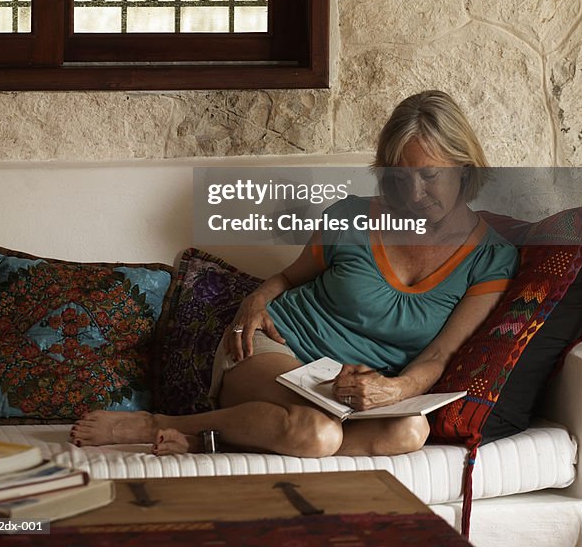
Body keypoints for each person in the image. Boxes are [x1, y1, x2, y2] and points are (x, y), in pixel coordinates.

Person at [70, 90, 518, 457]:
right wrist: (255, 300)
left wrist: (394, 390)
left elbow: (439, 356)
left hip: (347, 388)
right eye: (401, 178)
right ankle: (158, 423)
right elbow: (286, 279)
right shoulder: (350, 217)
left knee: (408, 432)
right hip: (277, 347)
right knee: (317, 432)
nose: (415, 194)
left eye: (430, 175)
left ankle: (214, 440)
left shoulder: (491, 257)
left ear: (465, 167)